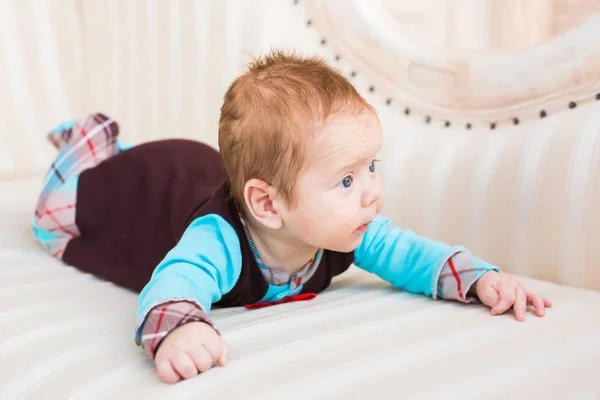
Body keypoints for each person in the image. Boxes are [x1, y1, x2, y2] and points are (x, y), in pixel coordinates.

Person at [32, 49, 552, 384]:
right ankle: (90, 151)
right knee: (79, 200)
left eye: (372, 167)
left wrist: (481, 279)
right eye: (347, 180)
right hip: (147, 186)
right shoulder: (221, 239)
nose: (372, 193)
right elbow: (175, 279)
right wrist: (180, 329)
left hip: (201, 167)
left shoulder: (342, 228)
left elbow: (411, 255)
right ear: (267, 205)